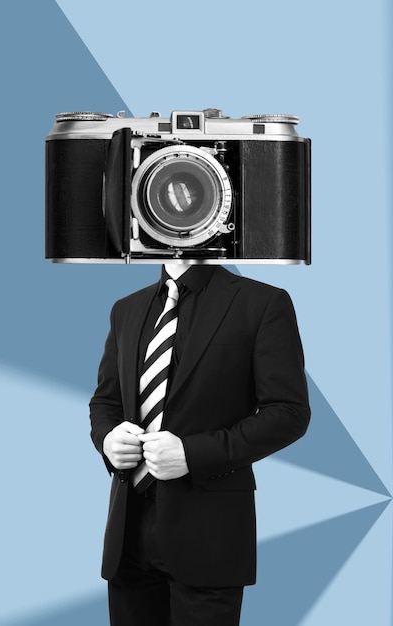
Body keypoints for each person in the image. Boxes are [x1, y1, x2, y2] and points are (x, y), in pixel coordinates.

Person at [89, 263, 310, 626]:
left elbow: (289, 412)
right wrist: (107, 438)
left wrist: (193, 455)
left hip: (210, 535)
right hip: (128, 534)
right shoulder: (126, 309)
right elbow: (106, 401)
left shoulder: (262, 302)